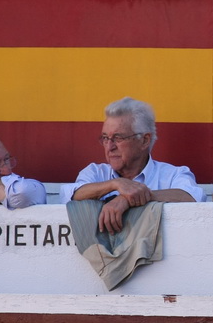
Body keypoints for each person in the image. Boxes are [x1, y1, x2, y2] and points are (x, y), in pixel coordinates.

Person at [60, 97, 205, 234]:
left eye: (118, 138)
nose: (109, 147)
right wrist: (116, 184)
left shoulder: (174, 174)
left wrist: (130, 198)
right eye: (105, 138)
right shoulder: (95, 172)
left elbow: (192, 197)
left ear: (144, 140)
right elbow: (72, 195)